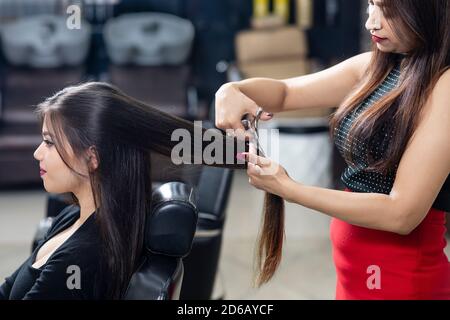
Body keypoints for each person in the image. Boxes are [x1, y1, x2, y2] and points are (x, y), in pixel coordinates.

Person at [215, 0, 450, 299]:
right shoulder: (373, 67)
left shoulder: (444, 85)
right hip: (354, 274)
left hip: (401, 279)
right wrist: (232, 90)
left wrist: (290, 189)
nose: (371, 23)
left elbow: (401, 213)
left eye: (387, 11)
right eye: (370, 6)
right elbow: (285, 94)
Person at [0, 82, 245, 300]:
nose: (37, 153)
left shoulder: (78, 260)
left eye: (49, 142)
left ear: (91, 158)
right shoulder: (73, 218)